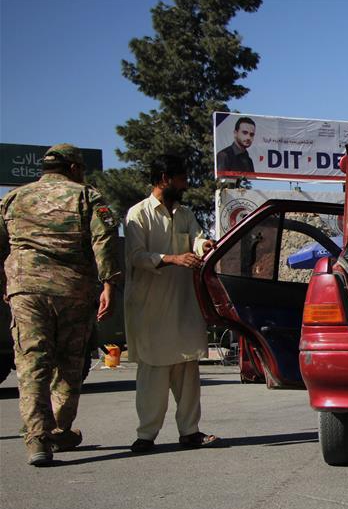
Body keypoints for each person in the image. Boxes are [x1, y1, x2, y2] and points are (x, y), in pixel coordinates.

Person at [0, 143, 120, 466]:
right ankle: (58, 427)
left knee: (31, 364)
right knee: (69, 364)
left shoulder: (12, 198)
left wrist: (6, 283)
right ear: (74, 168)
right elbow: (104, 237)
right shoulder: (86, 196)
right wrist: (109, 282)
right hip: (72, 292)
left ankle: (39, 437)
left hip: (26, 290)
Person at [124, 154, 219, 452]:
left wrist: (203, 245)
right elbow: (137, 257)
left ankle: (190, 432)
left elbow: (196, 239)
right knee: (153, 373)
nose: (186, 184)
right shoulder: (137, 214)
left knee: (187, 371)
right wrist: (172, 259)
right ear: (165, 179)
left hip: (183, 304)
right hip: (151, 306)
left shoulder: (186, 213)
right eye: (181, 178)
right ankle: (146, 435)